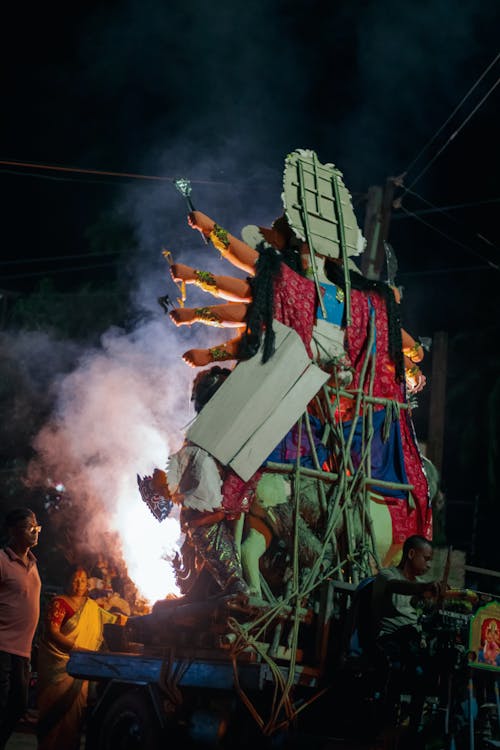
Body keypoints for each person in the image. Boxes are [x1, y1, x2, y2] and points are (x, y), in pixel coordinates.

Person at [36, 566, 126, 750]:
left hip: (79, 668)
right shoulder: (59, 603)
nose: (79, 584)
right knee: (53, 715)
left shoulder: (92, 607)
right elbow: (53, 632)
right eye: (75, 580)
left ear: (87, 584)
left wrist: (126, 619)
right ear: (68, 581)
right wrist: (76, 649)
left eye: (83, 581)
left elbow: (111, 620)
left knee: (74, 718)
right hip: (57, 666)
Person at [371, 535, 444, 739]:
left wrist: (435, 603)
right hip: (387, 640)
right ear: (411, 554)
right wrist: (422, 589)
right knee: (399, 663)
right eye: (426, 558)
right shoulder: (386, 576)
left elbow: (425, 611)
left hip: (410, 641)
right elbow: (398, 586)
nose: (429, 565)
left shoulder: (420, 585)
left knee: (429, 668)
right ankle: (384, 724)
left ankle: (415, 728)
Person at [0, 507, 42, 750]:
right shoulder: (2, 561)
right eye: (30, 527)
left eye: (37, 526)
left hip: (23, 651)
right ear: (14, 531)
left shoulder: (33, 564)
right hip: (2, 647)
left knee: (18, 706)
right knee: (1, 704)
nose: (36, 532)